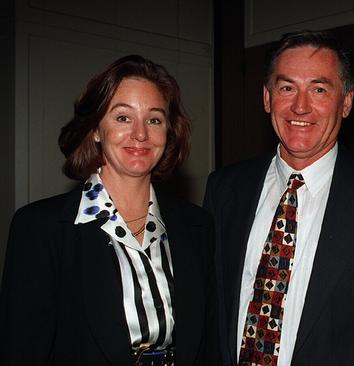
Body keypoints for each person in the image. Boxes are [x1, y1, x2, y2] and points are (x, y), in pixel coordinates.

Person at [203, 30, 354, 366]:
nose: (300, 106)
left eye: (319, 89)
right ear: (267, 97)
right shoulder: (225, 188)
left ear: (347, 101)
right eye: (287, 87)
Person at [0, 55, 218, 366]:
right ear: (95, 130)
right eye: (123, 118)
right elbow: (21, 352)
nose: (140, 134)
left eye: (154, 119)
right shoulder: (40, 229)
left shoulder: (198, 227)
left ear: (168, 132)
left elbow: (208, 347)